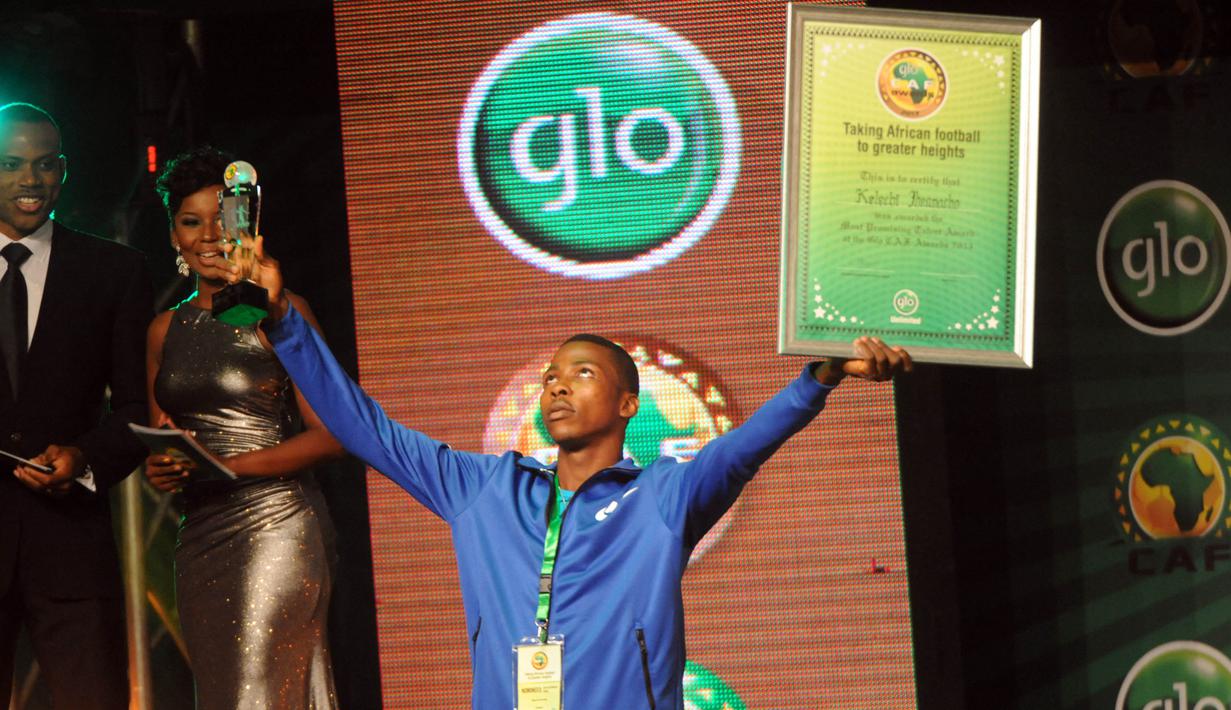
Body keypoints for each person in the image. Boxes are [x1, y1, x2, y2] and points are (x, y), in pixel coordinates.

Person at [232, 238, 911, 709]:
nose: (557, 386)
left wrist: (819, 378)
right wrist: (285, 319)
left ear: (626, 404)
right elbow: (364, 430)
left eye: (580, 374)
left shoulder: (663, 497)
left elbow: (740, 450)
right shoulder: (483, 490)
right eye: (551, 376)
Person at [142, 146, 343, 709]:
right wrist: (163, 465)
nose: (208, 235)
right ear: (174, 233)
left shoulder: (281, 311)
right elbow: (163, 433)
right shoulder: (164, 330)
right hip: (200, 536)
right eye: (190, 221)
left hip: (277, 526)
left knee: (262, 691)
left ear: (246, 225)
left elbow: (331, 433)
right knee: (225, 694)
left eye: (221, 218)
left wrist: (229, 467)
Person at [0, 102, 152, 708]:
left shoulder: (114, 270)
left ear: (63, 171)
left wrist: (84, 459)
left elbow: (139, 409)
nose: (29, 181)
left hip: (72, 555)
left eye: (43, 165)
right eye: (11, 164)